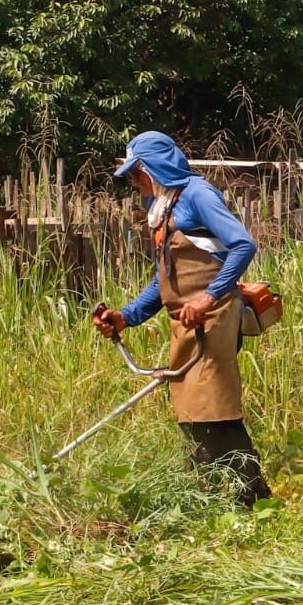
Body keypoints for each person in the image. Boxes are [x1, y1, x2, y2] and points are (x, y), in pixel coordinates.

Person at [91, 131, 271, 505]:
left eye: (136, 175)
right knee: (192, 409)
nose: (134, 183)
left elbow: (243, 245)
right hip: (185, 322)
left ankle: (249, 497)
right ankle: (209, 493)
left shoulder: (198, 195)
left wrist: (208, 298)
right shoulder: (164, 206)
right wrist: (126, 316)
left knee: (213, 407)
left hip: (216, 316)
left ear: (153, 169)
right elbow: (166, 279)